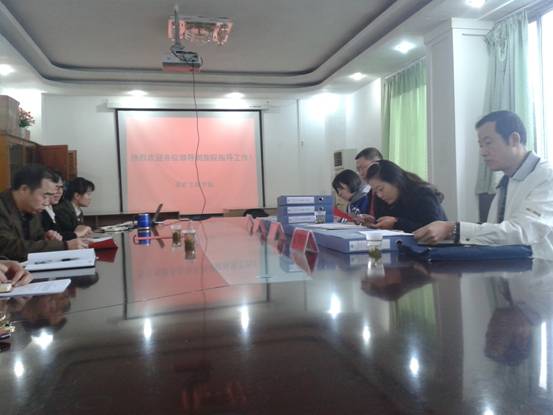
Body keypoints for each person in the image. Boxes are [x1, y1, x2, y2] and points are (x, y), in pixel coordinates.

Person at [414, 111, 553, 260]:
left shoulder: (546, 177)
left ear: (514, 139)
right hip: (510, 267)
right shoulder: (506, 181)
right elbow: (497, 235)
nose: (482, 152)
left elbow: (522, 232)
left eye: (488, 143)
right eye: (480, 145)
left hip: (542, 268)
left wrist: (453, 229)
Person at [0, 164, 88, 261]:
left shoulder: (32, 209)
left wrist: (45, 238)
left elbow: (35, 238)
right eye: (45, 196)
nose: (47, 203)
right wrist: (63, 246)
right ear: (24, 189)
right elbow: (7, 247)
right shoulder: (3, 207)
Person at [365, 160, 447, 232]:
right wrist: (374, 222)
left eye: (381, 189)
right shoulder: (382, 199)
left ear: (395, 180)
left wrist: (397, 223)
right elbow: (385, 223)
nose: (379, 195)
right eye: (376, 192)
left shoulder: (422, 194)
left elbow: (433, 229)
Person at [42, 172, 92, 240]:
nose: (60, 191)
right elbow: (60, 236)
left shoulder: (51, 209)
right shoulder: (61, 209)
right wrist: (77, 233)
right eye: (56, 187)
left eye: (61, 187)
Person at [354, 147, 384, 223]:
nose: (361, 173)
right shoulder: (371, 192)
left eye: (363, 168)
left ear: (377, 164)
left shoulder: (390, 189)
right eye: (358, 169)